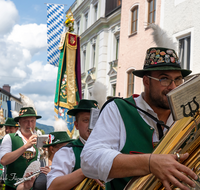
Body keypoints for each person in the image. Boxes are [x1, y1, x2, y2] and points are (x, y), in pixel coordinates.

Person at [81, 47, 198, 190]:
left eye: (178, 79)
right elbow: (89, 160)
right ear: (146, 81)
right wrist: (149, 163)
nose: (173, 87)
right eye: (165, 79)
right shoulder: (118, 108)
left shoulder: (187, 112)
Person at [47, 99, 104, 190]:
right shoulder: (67, 152)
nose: (91, 126)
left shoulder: (110, 148)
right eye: (86, 120)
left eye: (95, 121)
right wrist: (84, 171)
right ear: (76, 125)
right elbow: (52, 187)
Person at [0, 107, 41, 190]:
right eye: (26, 121)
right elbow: (3, 161)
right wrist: (25, 146)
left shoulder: (39, 139)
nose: (30, 124)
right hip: (12, 186)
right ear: (19, 122)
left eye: (32, 121)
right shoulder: (9, 137)